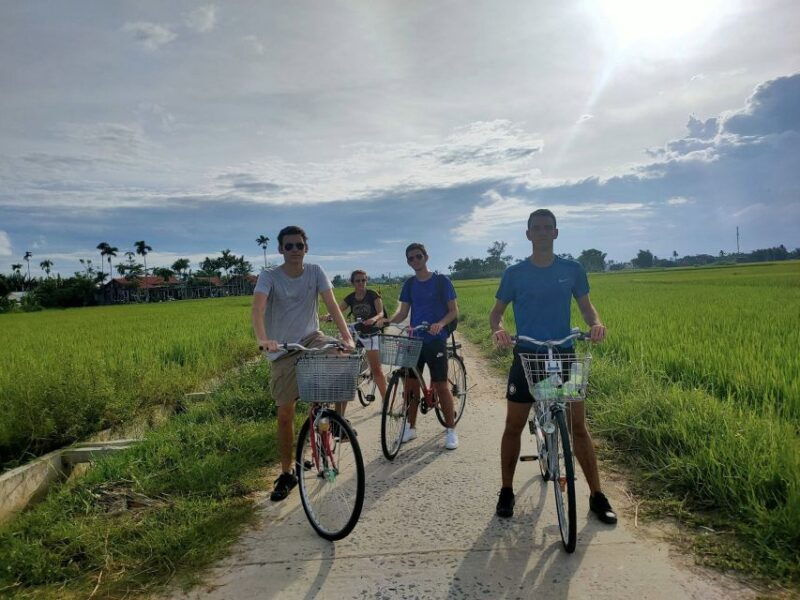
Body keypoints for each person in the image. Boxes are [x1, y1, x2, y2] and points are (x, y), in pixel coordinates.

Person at [489, 209, 617, 524]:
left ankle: (597, 496)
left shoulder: (572, 269)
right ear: (528, 234)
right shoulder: (515, 273)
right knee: (513, 425)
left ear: (556, 233)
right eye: (537, 228)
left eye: (548, 228)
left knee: (577, 426)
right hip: (527, 356)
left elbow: (587, 309)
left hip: (565, 354)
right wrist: (498, 330)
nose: (543, 232)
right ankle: (506, 490)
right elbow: (496, 314)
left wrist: (596, 324)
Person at [252, 225, 355, 502]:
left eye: (299, 245)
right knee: (285, 413)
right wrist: (264, 339)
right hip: (283, 349)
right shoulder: (269, 276)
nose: (295, 250)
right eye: (289, 246)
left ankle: (331, 419)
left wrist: (346, 337)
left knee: (339, 354)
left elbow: (332, 305)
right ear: (280, 250)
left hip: (310, 338)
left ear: (306, 248)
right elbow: (258, 308)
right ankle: (287, 473)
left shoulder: (315, 272)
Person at [385, 243, 459, 450]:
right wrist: (386, 322)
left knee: (442, 385)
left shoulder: (441, 281)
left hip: (435, 338)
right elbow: (402, 313)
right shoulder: (409, 284)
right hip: (414, 338)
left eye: (418, 257)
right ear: (408, 262)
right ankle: (411, 427)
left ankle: (451, 430)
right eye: (411, 258)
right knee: (410, 386)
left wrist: (440, 324)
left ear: (426, 257)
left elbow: (453, 311)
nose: (415, 261)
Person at [325, 270, 388, 400]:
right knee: (344, 357)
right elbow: (337, 310)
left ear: (366, 281)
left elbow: (381, 313)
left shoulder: (372, 295)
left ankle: (386, 400)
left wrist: (374, 319)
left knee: (377, 370)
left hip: (372, 333)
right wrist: (328, 316)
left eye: (363, 280)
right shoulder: (351, 297)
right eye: (357, 281)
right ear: (352, 282)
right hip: (357, 332)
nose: (361, 283)